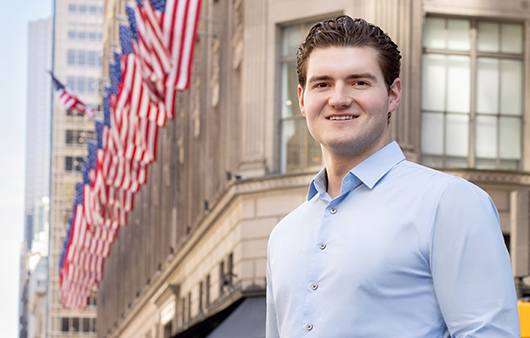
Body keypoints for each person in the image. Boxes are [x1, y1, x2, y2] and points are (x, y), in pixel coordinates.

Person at [266, 15, 520, 337]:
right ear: (302, 100)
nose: (339, 98)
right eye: (323, 84)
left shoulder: (449, 202)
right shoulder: (283, 235)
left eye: (360, 82)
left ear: (393, 94)